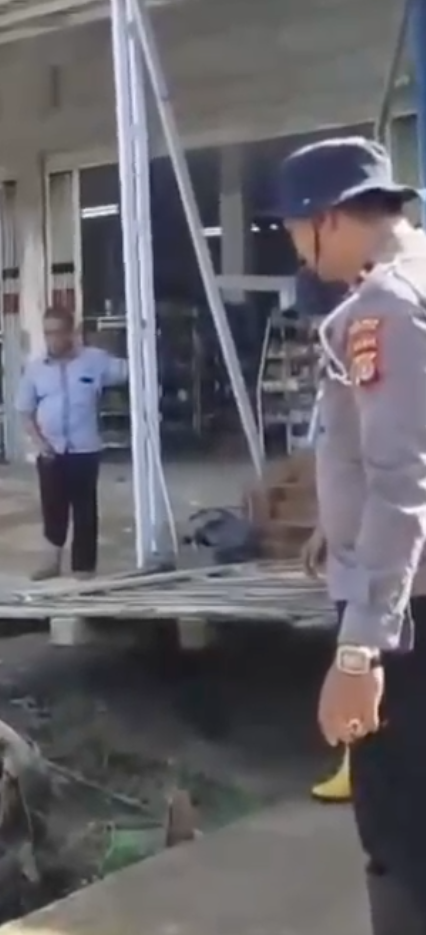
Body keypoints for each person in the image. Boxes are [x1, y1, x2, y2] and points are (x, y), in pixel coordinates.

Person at [280, 136, 426, 931]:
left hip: (409, 610)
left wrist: (359, 649)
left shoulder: (381, 308)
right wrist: (335, 531)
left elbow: (403, 481)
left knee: (400, 832)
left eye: (296, 232)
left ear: (328, 219)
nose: (299, 250)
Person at [15, 305, 130, 581]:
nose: (53, 339)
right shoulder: (35, 370)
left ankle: (83, 567)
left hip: (84, 448)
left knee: (85, 509)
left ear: (72, 332)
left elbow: (131, 371)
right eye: (47, 333)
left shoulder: (94, 361)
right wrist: (39, 443)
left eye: (58, 332)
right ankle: (52, 562)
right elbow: (24, 410)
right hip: (51, 449)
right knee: (53, 507)